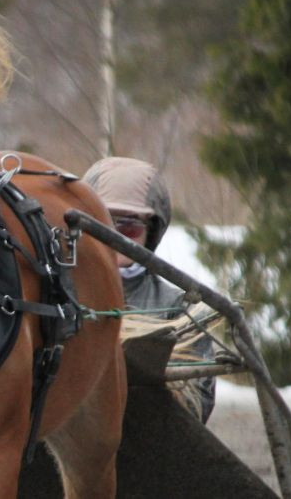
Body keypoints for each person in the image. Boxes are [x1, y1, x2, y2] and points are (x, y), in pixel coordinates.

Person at [83, 157, 216, 423]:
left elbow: (197, 405)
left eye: (129, 227)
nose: (116, 237)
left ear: (151, 230)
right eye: (104, 224)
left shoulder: (180, 307)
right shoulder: (56, 294)